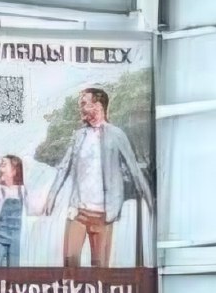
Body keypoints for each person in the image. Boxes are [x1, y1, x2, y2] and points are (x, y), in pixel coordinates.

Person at [47, 86, 153, 271]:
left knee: (100, 271)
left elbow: (134, 169)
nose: (80, 108)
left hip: (104, 215)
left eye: (84, 104)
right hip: (78, 212)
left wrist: (150, 202)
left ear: (97, 106)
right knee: (70, 263)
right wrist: (51, 196)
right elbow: (64, 167)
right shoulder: (79, 136)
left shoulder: (116, 134)